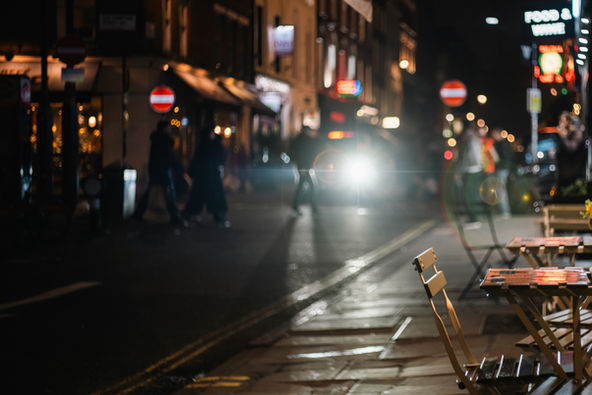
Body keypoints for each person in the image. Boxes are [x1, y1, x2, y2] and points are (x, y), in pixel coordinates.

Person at [132, 120, 186, 227]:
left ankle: (138, 214)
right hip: (163, 171)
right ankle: (175, 217)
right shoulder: (163, 140)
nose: (170, 129)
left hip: (157, 170)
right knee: (170, 193)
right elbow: (167, 157)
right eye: (169, 127)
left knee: (151, 192)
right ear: (164, 128)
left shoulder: (157, 139)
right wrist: (179, 167)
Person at [183, 124, 231, 228]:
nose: (213, 134)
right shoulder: (207, 145)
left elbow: (219, 158)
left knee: (209, 196)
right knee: (201, 196)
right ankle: (194, 214)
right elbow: (198, 160)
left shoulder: (212, 145)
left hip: (209, 176)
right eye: (211, 133)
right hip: (206, 176)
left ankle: (216, 215)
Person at [456, 124, 485, 227]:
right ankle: (473, 218)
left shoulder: (471, 140)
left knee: (468, 195)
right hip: (474, 170)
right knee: (471, 194)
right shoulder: (475, 140)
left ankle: (474, 220)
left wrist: (460, 171)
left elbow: (471, 158)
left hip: (471, 170)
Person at [290, 126, 319, 215]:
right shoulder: (305, 140)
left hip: (302, 166)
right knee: (308, 186)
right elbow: (308, 153)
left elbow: (293, 153)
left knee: (303, 186)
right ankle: (311, 208)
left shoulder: (298, 139)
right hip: (304, 166)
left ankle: (297, 207)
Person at [556, 111, 587, 192]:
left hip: (574, 176)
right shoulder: (568, 133)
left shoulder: (577, 132)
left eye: (562, 121)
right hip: (566, 175)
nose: (560, 124)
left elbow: (572, 148)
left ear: (568, 122)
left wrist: (563, 137)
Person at [491, 127, 513, 218]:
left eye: (495, 134)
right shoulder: (504, 143)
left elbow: (501, 158)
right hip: (504, 169)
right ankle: (504, 211)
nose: (493, 136)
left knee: (500, 189)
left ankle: (505, 211)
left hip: (502, 169)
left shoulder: (501, 144)